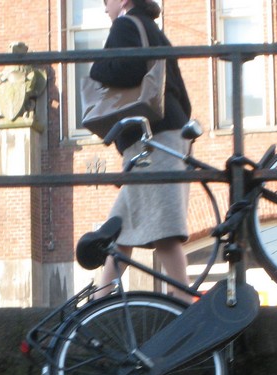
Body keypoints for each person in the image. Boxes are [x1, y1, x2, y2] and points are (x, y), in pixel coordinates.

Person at [90, 0, 193, 301]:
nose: (104, 7)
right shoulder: (153, 30)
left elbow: (126, 67)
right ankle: (100, 301)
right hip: (162, 135)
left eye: (106, 0)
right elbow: (181, 94)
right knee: (122, 229)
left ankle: (183, 301)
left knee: (164, 230)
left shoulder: (125, 25)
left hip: (153, 138)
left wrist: (96, 65)